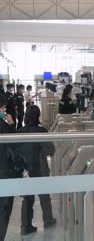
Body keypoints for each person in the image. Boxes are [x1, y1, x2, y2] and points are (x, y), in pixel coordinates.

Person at [18, 105, 57, 235]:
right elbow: (50, 150)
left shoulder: (20, 132)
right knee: (44, 196)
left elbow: (17, 151)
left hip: (26, 170)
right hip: (40, 168)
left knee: (27, 198)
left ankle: (25, 225)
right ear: (38, 116)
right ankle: (48, 219)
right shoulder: (42, 131)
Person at [0, 94, 26, 241]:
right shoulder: (3, 125)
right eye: (2, 108)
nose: (4, 110)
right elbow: (15, 145)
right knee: (4, 211)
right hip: (4, 174)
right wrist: (11, 125)